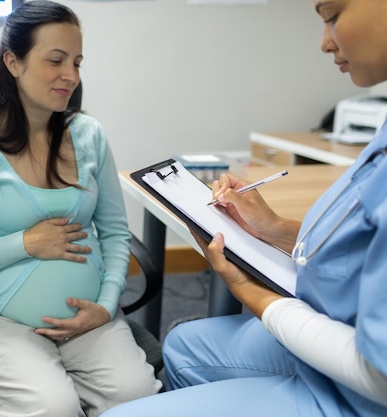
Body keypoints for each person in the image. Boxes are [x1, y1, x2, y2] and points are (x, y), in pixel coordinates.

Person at [100, 1, 387, 416]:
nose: (325, 42)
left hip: (363, 390)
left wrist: (250, 291)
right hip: (342, 323)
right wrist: (272, 228)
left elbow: (378, 375)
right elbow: (360, 239)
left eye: (331, 15)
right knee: (183, 345)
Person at [0, 1, 162, 416]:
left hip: (86, 318)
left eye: (77, 62)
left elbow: (115, 231)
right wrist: (26, 243)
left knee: (137, 399)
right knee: (53, 407)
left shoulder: (88, 135)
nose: (70, 76)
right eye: (55, 60)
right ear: (13, 62)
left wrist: (106, 305)